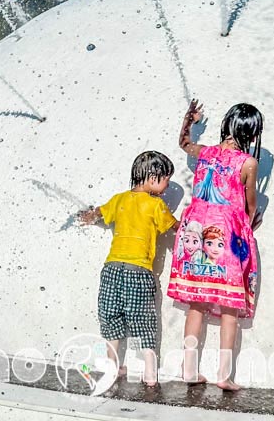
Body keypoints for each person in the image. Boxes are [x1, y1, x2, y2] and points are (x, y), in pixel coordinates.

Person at [167, 100, 261, 391]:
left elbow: (184, 143)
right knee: (230, 306)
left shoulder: (204, 152)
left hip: (195, 227)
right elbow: (250, 203)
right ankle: (224, 376)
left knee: (197, 303)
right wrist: (248, 221)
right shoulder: (248, 162)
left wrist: (189, 120)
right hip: (226, 233)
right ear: (251, 133)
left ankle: (188, 368)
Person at [79, 151, 179, 386]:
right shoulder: (156, 205)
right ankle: (150, 372)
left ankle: (112, 368)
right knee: (143, 320)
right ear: (152, 177)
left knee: (110, 316)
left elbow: (98, 215)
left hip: (112, 269)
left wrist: (86, 216)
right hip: (139, 271)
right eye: (166, 179)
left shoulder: (119, 199)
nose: (166, 187)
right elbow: (176, 227)